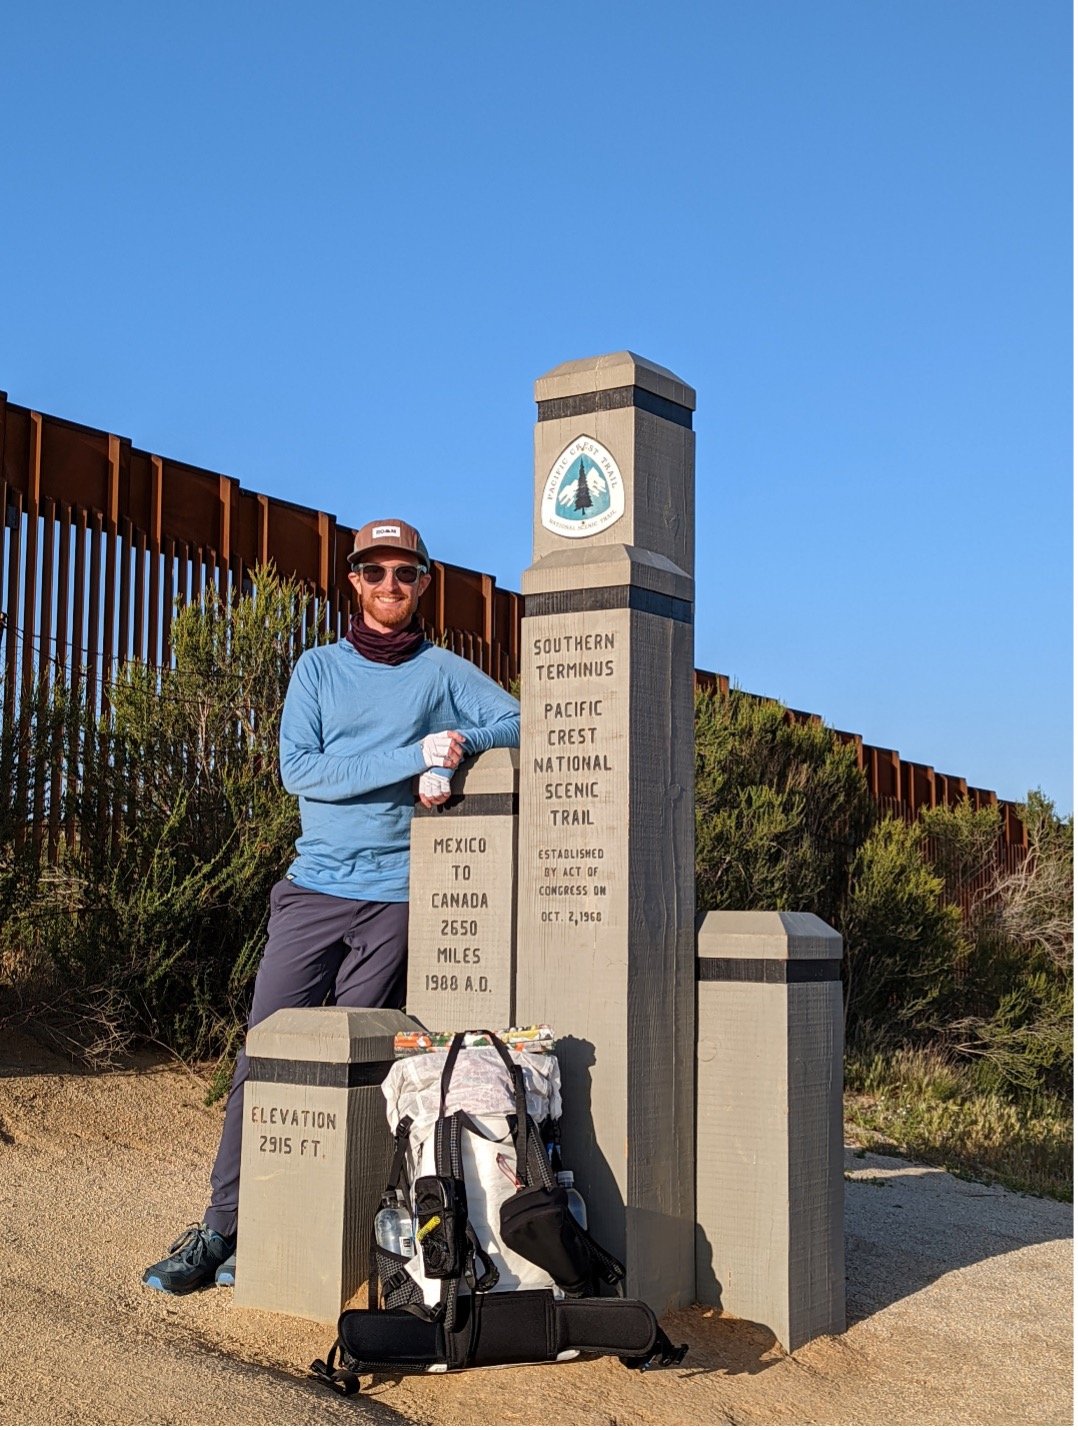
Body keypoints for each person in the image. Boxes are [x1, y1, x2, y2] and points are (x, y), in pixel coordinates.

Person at [142, 518, 520, 1293]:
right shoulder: (317, 670)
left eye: (404, 574)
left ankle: (300, 1232)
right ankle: (220, 1229)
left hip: (394, 902)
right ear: (352, 581)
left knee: (357, 1074)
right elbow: (303, 772)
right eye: (374, 573)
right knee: (267, 1057)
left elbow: (520, 718)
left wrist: (457, 747)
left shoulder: (443, 671)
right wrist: (411, 757)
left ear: (423, 583)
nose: (390, 587)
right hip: (314, 891)